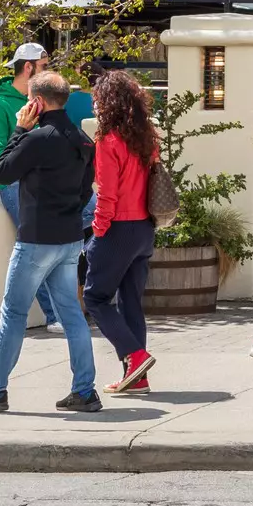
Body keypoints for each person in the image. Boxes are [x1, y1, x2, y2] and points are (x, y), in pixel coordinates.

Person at [0, 71, 101, 414]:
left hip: (36, 239)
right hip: (68, 239)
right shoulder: (82, 140)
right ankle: (85, 390)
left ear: (35, 102)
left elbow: (4, 172)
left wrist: (19, 129)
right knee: (72, 315)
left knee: (14, 311)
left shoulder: (38, 138)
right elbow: (84, 192)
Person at [81, 69, 158, 394]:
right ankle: (136, 377)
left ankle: (136, 355)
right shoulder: (146, 137)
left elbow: (108, 195)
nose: (95, 106)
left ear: (108, 103)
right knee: (130, 303)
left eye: (98, 100)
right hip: (144, 229)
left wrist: (97, 231)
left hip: (118, 229)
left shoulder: (108, 141)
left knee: (95, 297)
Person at [0, 42, 57, 324]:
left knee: (86, 215)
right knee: (36, 249)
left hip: (45, 184)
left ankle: (62, 313)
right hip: (16, 186)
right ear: (28, 68)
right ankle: (55, 316)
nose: (48, 72)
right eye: (43, 67)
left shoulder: (43, 102)